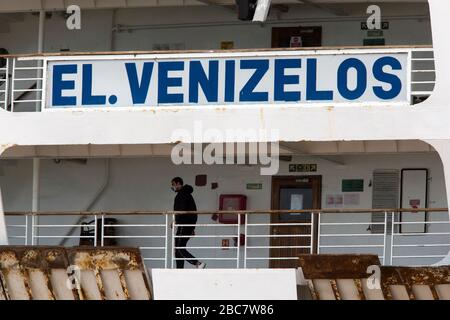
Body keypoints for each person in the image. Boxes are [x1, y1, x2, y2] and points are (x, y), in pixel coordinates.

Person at [171, 177, 206, 269]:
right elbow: (193, 212)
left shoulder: (182, 194)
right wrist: (192, 227)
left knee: (178, 247)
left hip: (184, 224)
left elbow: (181, 210)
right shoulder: (187, 194)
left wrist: (175, 220)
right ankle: (179, 269)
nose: (172, 187)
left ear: (178, 183)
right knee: (179, 248)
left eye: (173, 184)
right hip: (187, 225)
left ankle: (197, 263)